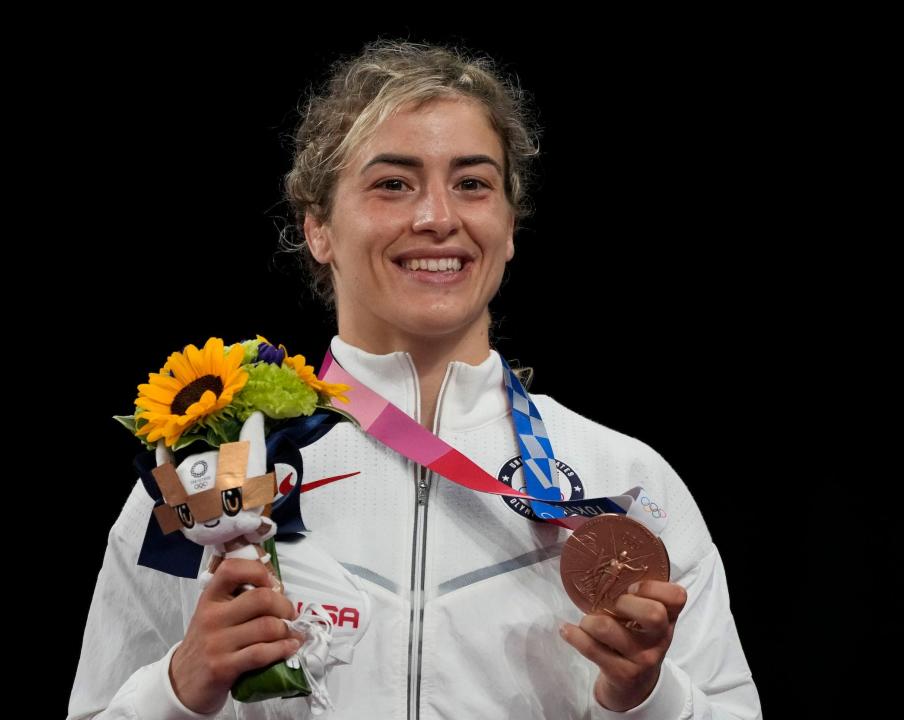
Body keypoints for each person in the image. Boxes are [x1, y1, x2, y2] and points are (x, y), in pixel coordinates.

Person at [68, 40, 761, 719]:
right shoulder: (207, 470)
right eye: (393, 184)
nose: (437, 218)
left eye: (472, 184)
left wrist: (644, 697)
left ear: (509, 225)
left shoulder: (624, 479)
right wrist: (176, 689)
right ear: (318, 228)